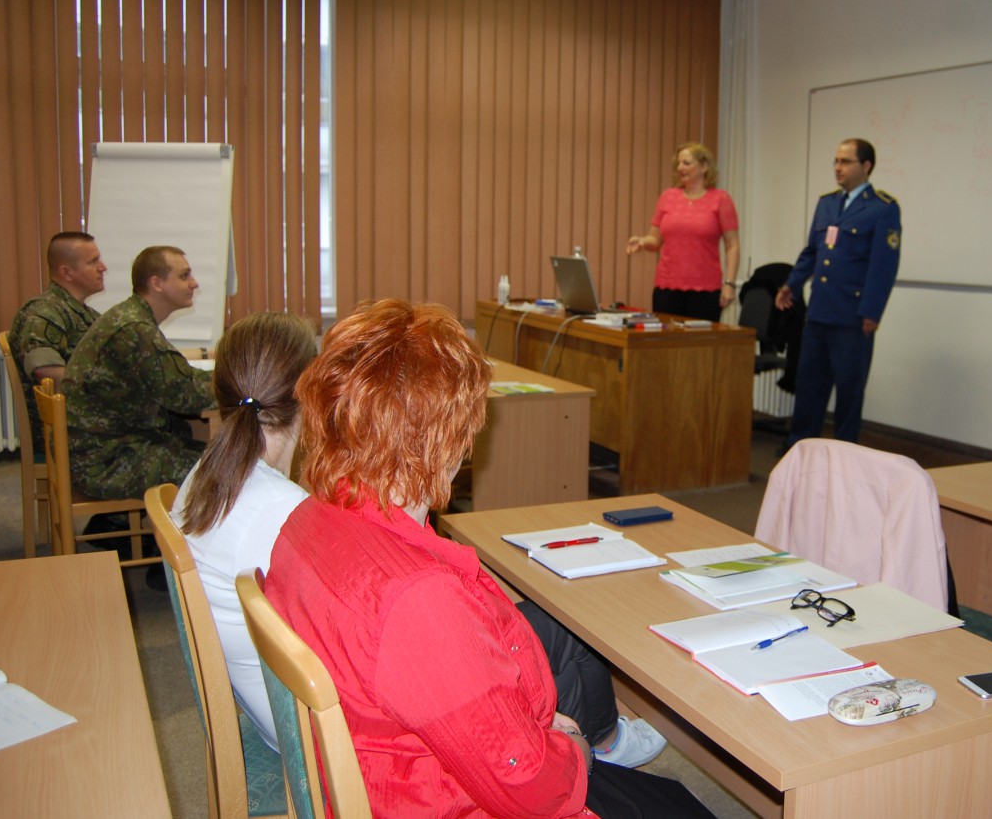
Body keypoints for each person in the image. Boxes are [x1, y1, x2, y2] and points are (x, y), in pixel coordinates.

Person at [264, 299, 711, 818]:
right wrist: (574, 751)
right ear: (444, 438)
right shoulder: (418, 599)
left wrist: (531, 729)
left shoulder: (308, 520)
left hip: (385, 769)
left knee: (666, 798)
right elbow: (529, 788)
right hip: (438, 801)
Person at [171, 311, 316, 752]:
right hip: (308, 737)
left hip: (266, 706)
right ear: (310, 394)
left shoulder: (209, 472)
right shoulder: (283, 513)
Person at [775, 138, 901, 449]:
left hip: (853, 317)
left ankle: (846, 456)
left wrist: (871, 312)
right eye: (836, 161)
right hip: (819, 312)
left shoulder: (882, 208)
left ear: (866, 166)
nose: (837, 167)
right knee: (809, 386)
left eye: (845, 161)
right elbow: (812, 252)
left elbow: (883, 267)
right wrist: (791, 284)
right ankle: (800, 449)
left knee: (849, 391)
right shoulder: (827, 203)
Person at [66, 245, 215, 500]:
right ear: (157, 284)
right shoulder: (135, 328)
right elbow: (187, 395)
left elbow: (180, 378)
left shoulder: (132, 317)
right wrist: (244, 385)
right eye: (184, 276)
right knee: (222, 469)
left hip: (104, 448)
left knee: (211, 454)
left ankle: (118, 520)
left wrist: (228, 378)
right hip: (105, 461)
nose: (194, 283)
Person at [8, 232, 107, 445]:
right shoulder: (44, 312)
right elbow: (46, 372)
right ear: (66, 272)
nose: (102, 267)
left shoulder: (83, 313)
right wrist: (111, 393)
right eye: (93, 262)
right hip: (72, 430)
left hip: (89, 421)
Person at [626, 142, 740, 322]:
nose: (680, 168)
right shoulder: (668, 197)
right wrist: (642, 241)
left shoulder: (720, 199)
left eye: (686, 163)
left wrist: (730, 284)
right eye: (678, 163)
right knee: (665, 338)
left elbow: (732, 245)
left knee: (700, 340)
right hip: (666, 288)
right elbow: (655, 240)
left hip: (705, 291)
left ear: (704, 166)